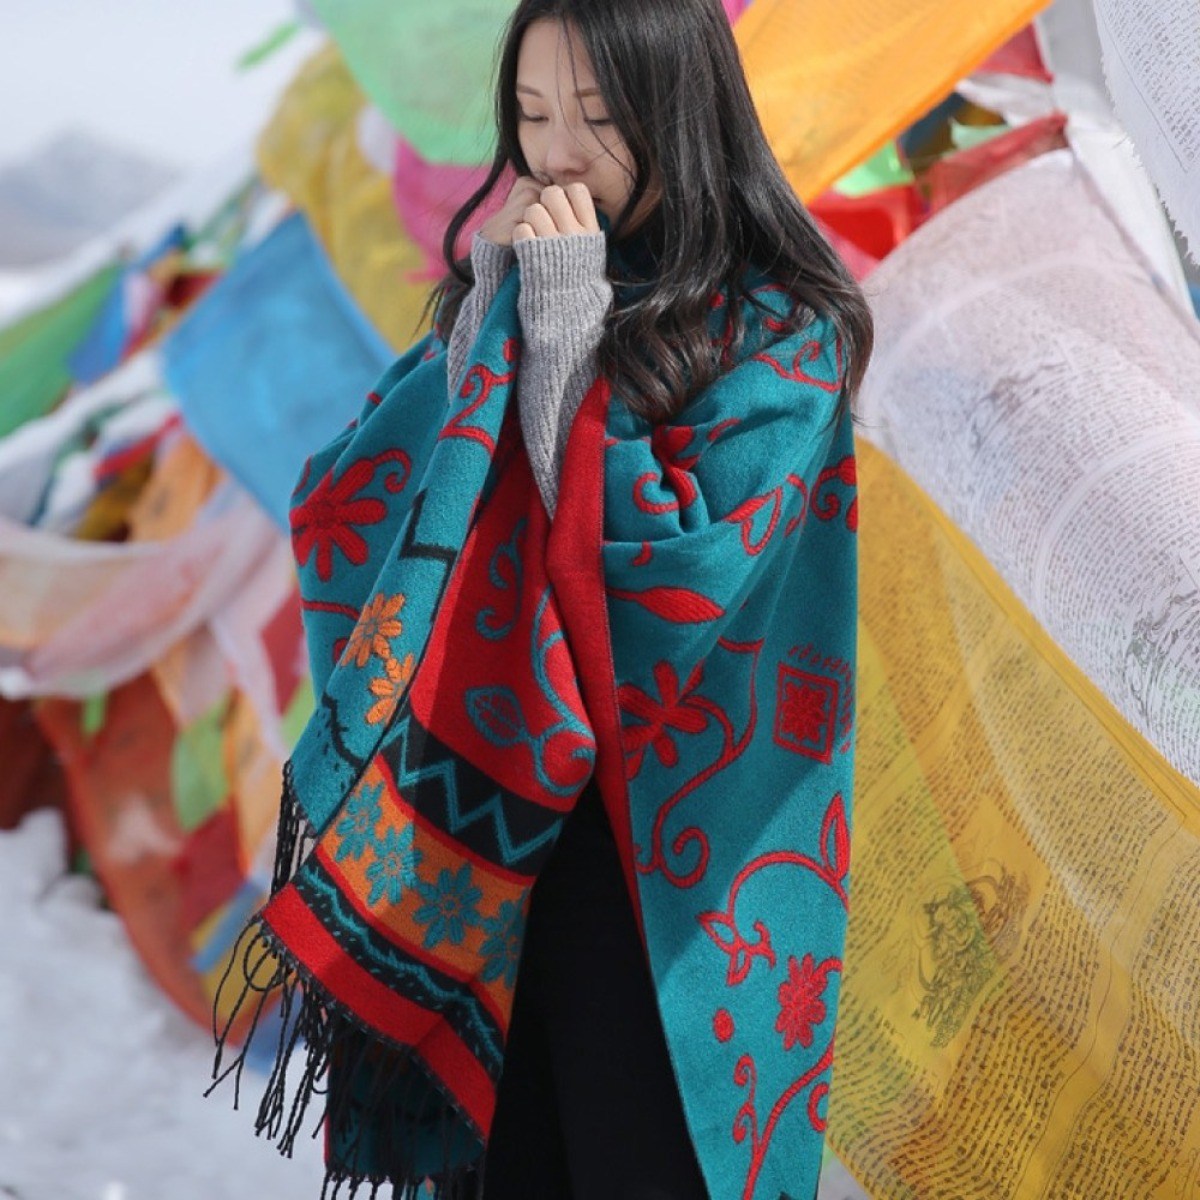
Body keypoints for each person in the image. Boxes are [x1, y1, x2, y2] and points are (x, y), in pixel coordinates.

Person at [212, 2, 871, 1199]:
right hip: (492, 848)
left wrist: (565, 344)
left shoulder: (788, 335)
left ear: (683, 111)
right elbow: (360, 514)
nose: (556, 154)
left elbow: (666, 584)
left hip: (669, 882)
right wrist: (485, 341)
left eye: (599, 118)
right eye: (529, 115)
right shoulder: (508, 295)